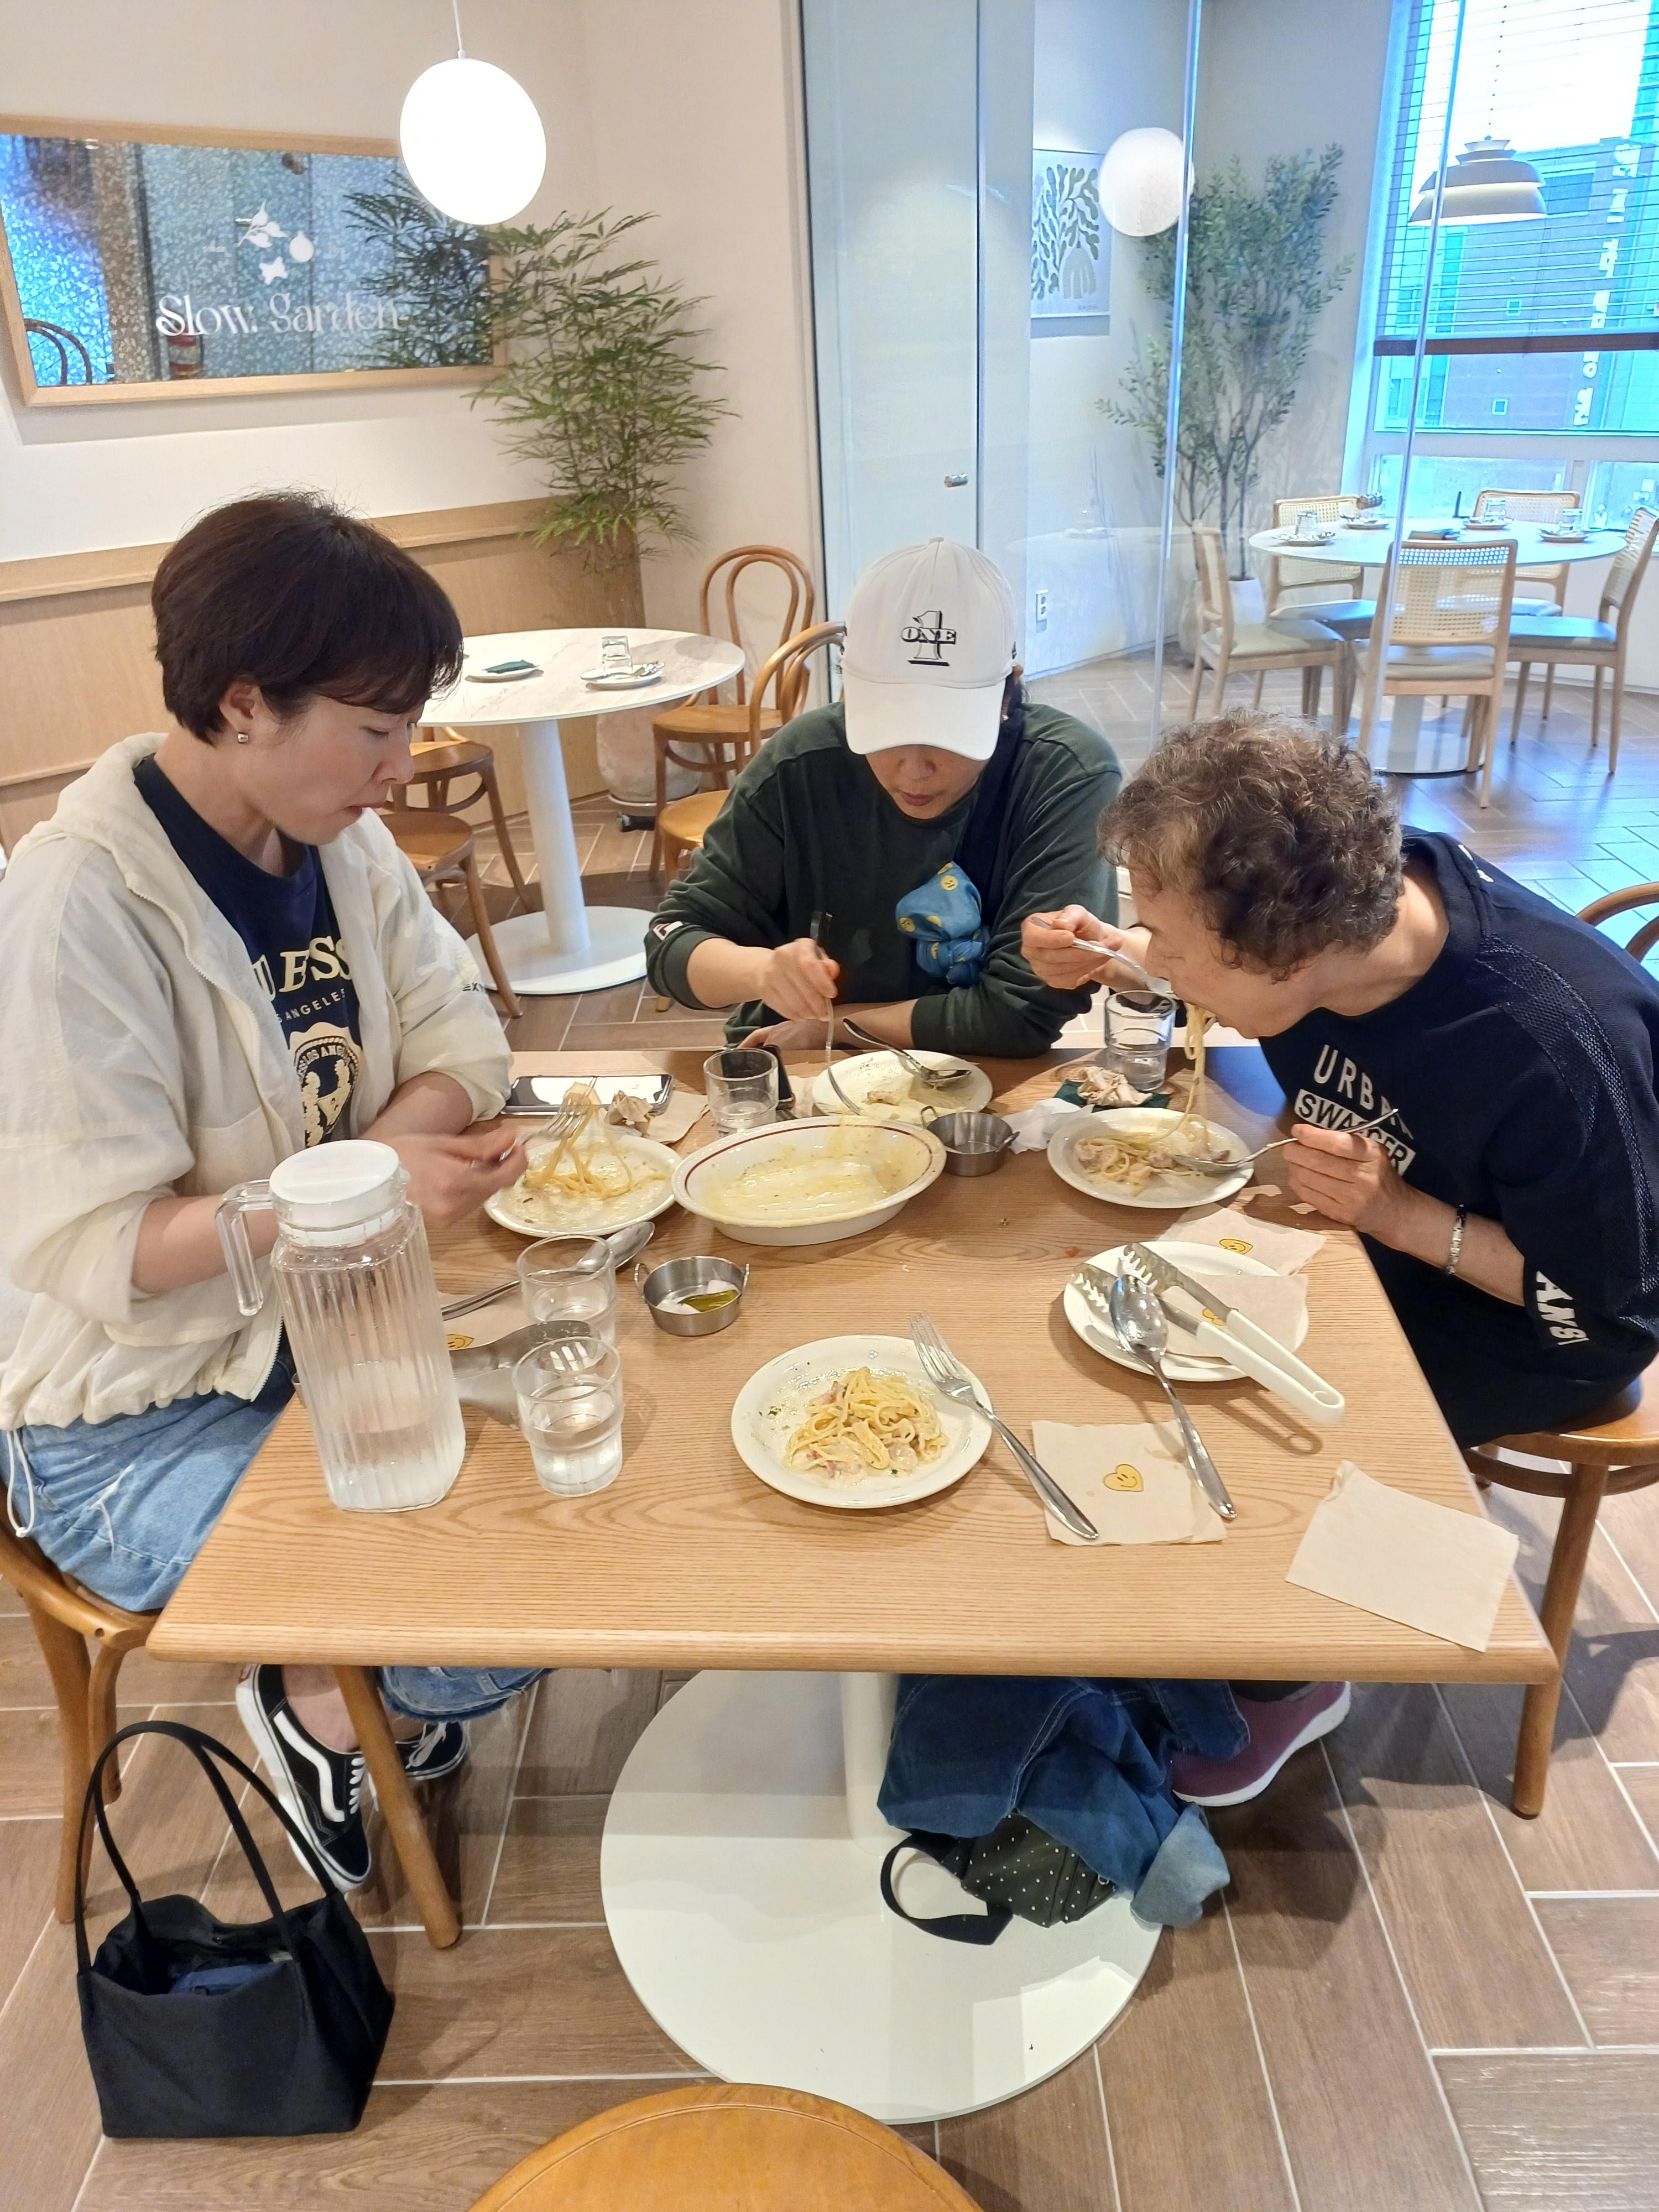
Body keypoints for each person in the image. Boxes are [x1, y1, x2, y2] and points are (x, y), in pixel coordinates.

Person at [0, 492, 542, 1891]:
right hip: (125, 1419)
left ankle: (360, 1694)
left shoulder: (336, 840)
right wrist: (348, 1190)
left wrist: (385, 1159)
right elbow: (101, 1245)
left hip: (318, 1331)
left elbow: (462, 1027)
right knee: (491, 1588)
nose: (402, 769)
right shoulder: (77, 905)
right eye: (375, 730)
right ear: (243, 703)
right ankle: (319, 1704)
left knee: (569, 1508)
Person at [1024, 711, 1659, 1805]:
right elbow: (1223, 970)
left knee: (1271, 1413)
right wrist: (1116, 951)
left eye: (1169, 940)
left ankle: (1295, 1675)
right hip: (1383, 1221)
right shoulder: (1343, 915)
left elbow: (1609, 1311)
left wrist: (1404, 1217)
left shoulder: (1556, 1043)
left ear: (1294, 953)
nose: (1155, 958)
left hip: (1534, 1314)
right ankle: (1185, 1610)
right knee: (1145, 1323)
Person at [645, 538, 1120, 1058]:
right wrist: (761, 971)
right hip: (800, 1063)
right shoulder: (801, 763)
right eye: (886, 727)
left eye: (951, 732)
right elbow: (671, 943)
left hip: (970, 1068)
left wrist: (837, 1028)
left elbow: (1020, 1013)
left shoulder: (1064, 774)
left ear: (1007, 695)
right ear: (848, 692)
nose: (914, 770)